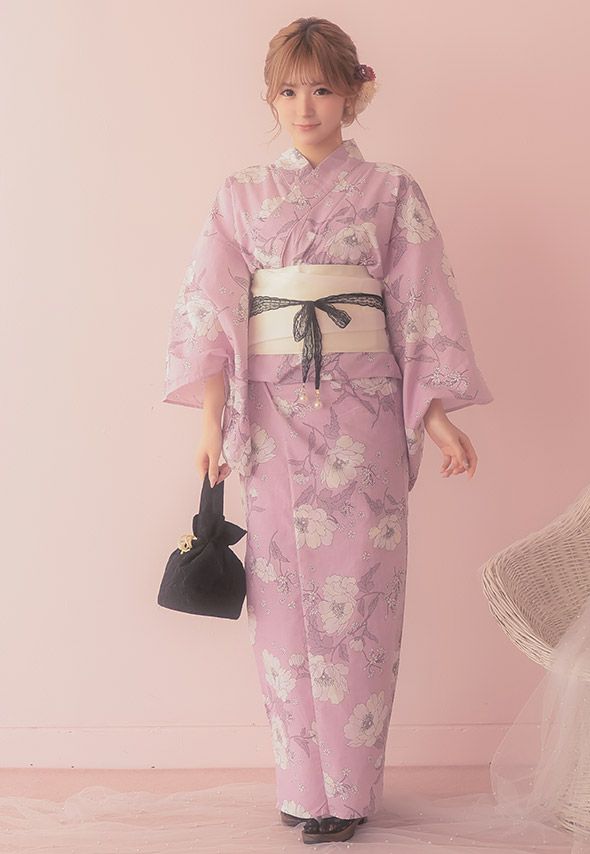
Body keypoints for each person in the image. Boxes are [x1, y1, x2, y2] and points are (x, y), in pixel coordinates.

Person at [162, 16, 493, 845]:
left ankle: (348, 794)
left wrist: (436, 416)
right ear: (269, 98)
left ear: (353, 94)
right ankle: (301, 788)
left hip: (365, 416)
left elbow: (419, 306)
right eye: (287, 91)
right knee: (280, 603)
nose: (304, 107)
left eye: (321, 89)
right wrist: (210, 421)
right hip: (272, 416)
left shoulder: (391, 190)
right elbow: (212, 308)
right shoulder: (240, 193)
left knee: (361, 599)